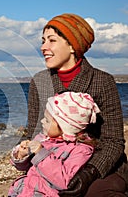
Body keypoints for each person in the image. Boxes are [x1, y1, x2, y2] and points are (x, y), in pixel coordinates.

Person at [20, 13, 128, 196]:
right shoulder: (40, 82)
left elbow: (114, 142)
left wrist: (88, 174)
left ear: (72, 45)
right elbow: (34, 131)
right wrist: (21, 154)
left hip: (99, 166)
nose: (43, 47)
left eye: (51, 40)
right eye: (43, 40)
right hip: (53, 163)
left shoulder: (102, 81)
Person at [8, 91, 100, 196]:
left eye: (47, 120)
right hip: (23, 190)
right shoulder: (43, 138)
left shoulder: (81, 150)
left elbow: (62, 181)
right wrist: (20, 155)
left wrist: (41, 153)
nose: (42, 121)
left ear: (65, 127)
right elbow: (24, 167)